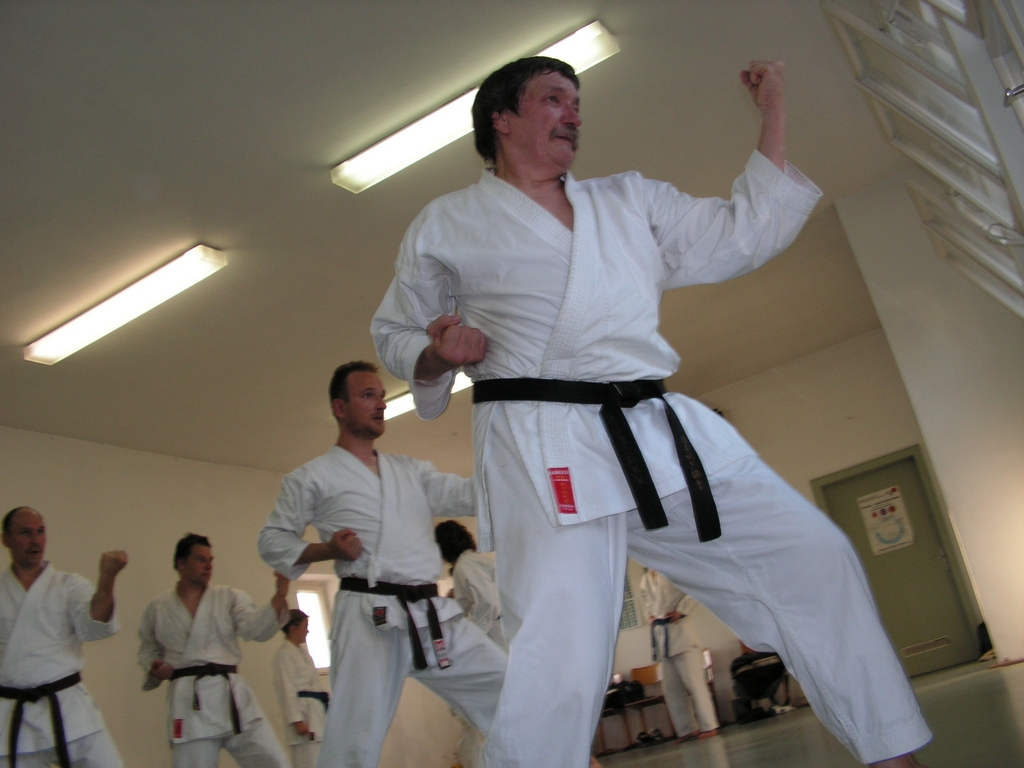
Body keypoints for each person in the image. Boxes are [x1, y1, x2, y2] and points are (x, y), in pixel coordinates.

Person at [371, 56, 932, 768]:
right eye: (553, 99)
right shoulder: (447, 223)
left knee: (812, 557)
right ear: (501, 119)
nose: (574, 113)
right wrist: (435, 353)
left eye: (577, 101)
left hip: (654, 429)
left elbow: (742, 231)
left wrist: (773, 112)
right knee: (561, 655)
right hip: (541, 443)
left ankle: (891, 751)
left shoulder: (628, 200)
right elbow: (394, 332)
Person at [257, 362, 507, 768]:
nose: (380, 404)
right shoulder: (312, 477)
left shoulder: (409, 471)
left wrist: (512, 471)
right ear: (339, 407)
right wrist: (327, 551)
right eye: (367, 395)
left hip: (430, 613)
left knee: (508, 691)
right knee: (353, 742)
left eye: (382, 396)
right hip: (367, 616)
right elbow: (272, 541)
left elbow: (465, 494)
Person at [137, 533, 290, 768]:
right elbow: (148, 648)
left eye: (210, 560)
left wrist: (279, 596)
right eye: (201, 559)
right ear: (181, 563)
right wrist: (153, 666)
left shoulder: (229, 597)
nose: (208, 566)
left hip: (232, 697)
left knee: (274, 762)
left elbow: (253, 628)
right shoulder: (158, 607)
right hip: (189, 703)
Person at [0, 507, 126, 768]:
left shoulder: (69, 585)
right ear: (6, 540)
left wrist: (107, 578)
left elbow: (94, 625)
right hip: (14, 716)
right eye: (25, 533)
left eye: (40, 532)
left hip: (69, 709)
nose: (35, 540)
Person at [637, 568, 719, 742]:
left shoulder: (671, 570)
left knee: (695, 685)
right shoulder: (646, 580)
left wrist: (682, 610)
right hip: (663, 641)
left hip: (683, 636)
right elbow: (646, 603)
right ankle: (686, 729)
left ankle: (709, 726)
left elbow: (695, 590)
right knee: (671, 689)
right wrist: (650, 615)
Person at [272, 610, 328, 768]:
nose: (307, 631)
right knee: (307, 761)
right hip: (304, 718)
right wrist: (297, 721)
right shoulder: (283, 655)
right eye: (305, 627)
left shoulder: (303, 653)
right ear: (293, 628)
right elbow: (286, 689)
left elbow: (315, 685)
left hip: (316, 715)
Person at [434, 521, 502, 648]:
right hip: (497, 631)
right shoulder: (470, 562)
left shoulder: (465, 565)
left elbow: (489, 603)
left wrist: (469, 637)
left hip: (497, 634)